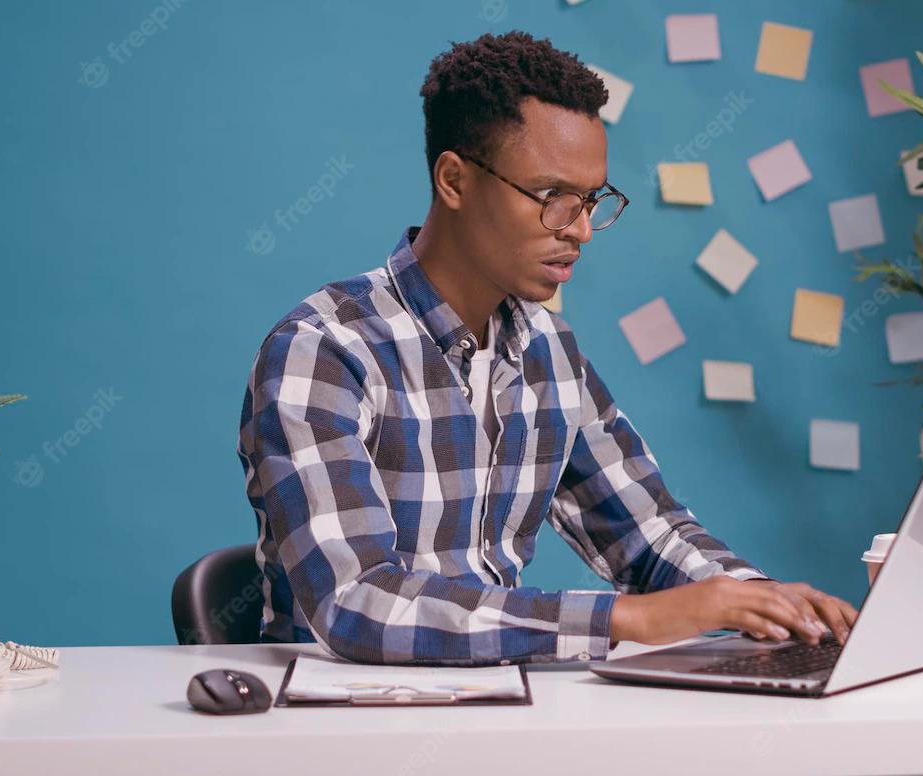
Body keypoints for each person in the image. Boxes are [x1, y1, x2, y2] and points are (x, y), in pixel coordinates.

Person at [237, 30, 857, 666]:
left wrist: (761, 599)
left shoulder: (548, 349)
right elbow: (356, 604)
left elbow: (647, 530)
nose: (581, 229)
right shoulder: (324, 350)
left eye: (591, 200)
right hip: (345, 726)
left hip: (505, 707)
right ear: (454, 179)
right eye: (552, 197)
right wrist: (627, 618)